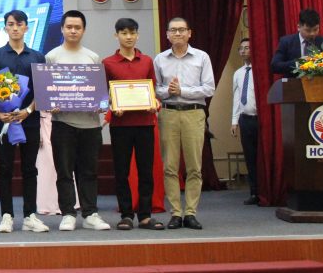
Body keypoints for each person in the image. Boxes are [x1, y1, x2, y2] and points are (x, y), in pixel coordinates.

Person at [46, 10, 110, 232]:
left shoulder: (93, 57)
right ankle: (68, 214)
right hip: (62, 124)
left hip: (90, 125)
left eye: (78, 27)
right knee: (64, 172)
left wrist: (101, 104)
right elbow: (47, 90)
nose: (73, 31)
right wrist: (51, 102)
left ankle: (90, 213)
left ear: (83, 30)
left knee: (89, 172)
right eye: (69, 27)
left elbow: (100, 92)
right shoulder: (52, 57)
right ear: (62, 29)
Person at [0, 10, 49, 233]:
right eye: (11, 24)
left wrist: (28, 110)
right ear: (5, 27)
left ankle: (30, 215)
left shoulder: (38, 57)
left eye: (19, 24)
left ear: (26, 28)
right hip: (5, 122)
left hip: (29, 120)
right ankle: (7, 216)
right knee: (5, 168)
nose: (15, 28)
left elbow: (42, 90)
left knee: (30, 168)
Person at [101, 18, 164, 231]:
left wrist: (155, 103)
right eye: (124, 33)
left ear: (137, 35)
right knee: (122, 172)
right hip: (120, 125)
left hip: (145, 123)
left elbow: (153, 90)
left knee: (146, 171)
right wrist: (112, 106)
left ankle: (145, 215)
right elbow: (104, 96)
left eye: (132, 32)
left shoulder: (147, 61)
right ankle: (126, 215)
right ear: (116, 35)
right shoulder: (108, 63)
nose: (128, 37)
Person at [154, 17, 215, 230]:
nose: (178, 33)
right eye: (173, 30)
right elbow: (156, 89)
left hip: (194, 113)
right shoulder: (160, 59)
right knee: (170, 166)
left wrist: (183, 91)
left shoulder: (202, 57)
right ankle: (175, 213)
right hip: (168, 113)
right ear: (167, 34)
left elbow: (209, 88)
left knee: (194, 167)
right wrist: (168, 91)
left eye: (182, 30)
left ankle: (190, 213)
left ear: (189, 33)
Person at [230, 38, 259, 205]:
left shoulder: (260, 71)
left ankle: (265, 190)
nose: (244, 51)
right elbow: (236, 98)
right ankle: (254, 192)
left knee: (261, 156)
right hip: (245, 119)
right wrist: (234, 121)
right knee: (250, 156)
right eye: (241, 48)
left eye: (247, 47)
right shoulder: (238, 73)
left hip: (260, 119)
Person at [271, 8, 323, 76]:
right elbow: (275, 66)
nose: (312, 33)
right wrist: (298, 63)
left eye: (315, 29)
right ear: (299, 27)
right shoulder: (286, 42)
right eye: (308, 30)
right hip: (294, 82)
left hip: (320, 82)